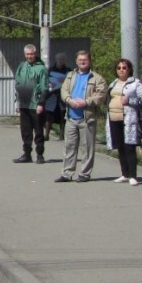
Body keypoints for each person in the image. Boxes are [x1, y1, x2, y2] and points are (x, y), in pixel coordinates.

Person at [55, 50, 107, 183]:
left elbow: (101, 95)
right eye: (80, 60)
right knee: (69, 147)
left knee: (87, 148)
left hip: (87, 118)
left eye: (85, 60)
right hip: (71, 117)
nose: (82, 62)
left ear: (90, 61)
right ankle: (67, 173)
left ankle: (84, 174)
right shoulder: (70, 76)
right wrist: (69, 100)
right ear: (76, 62)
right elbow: (63, 90)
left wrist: (86, 102)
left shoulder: (97, 78)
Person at [106, 58, 142, 185]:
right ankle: (124, 174)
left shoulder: (135, 83)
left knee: (129, 147)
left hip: (128, 120)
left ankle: (132, 175)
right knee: (120, 147)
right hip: (114, 118)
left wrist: (130, 101)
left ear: (129, 69)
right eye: (119, 68)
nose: (121, 70)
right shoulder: (113, 83)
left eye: (124, 68)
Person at [12, 44, 48, 163]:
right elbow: (18, 84)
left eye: (31, 54)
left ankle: (40, 154)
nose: (29, 56)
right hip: (24, 104)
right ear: (25, 54)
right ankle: (27, 154)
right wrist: (18, 102)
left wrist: (41, 103)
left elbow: (44, 87)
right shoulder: (22, 66)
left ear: (35, 54)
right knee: (25, 131)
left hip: (35, 104)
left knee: (38, 130)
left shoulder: (41, 68)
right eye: (27, 54)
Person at [42, 52, 69, 143]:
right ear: (56, 60)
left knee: (63, 115)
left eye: (62, 59)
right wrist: (49, 84)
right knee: (49, 114)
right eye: (59, 59)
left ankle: (62, 135)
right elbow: (45, 81)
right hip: (52, 95)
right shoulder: (50, 70)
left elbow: (71, 82)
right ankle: (46, 135)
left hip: (63, 95)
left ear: (65, 61)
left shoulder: (68, 71)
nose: (60, 61)